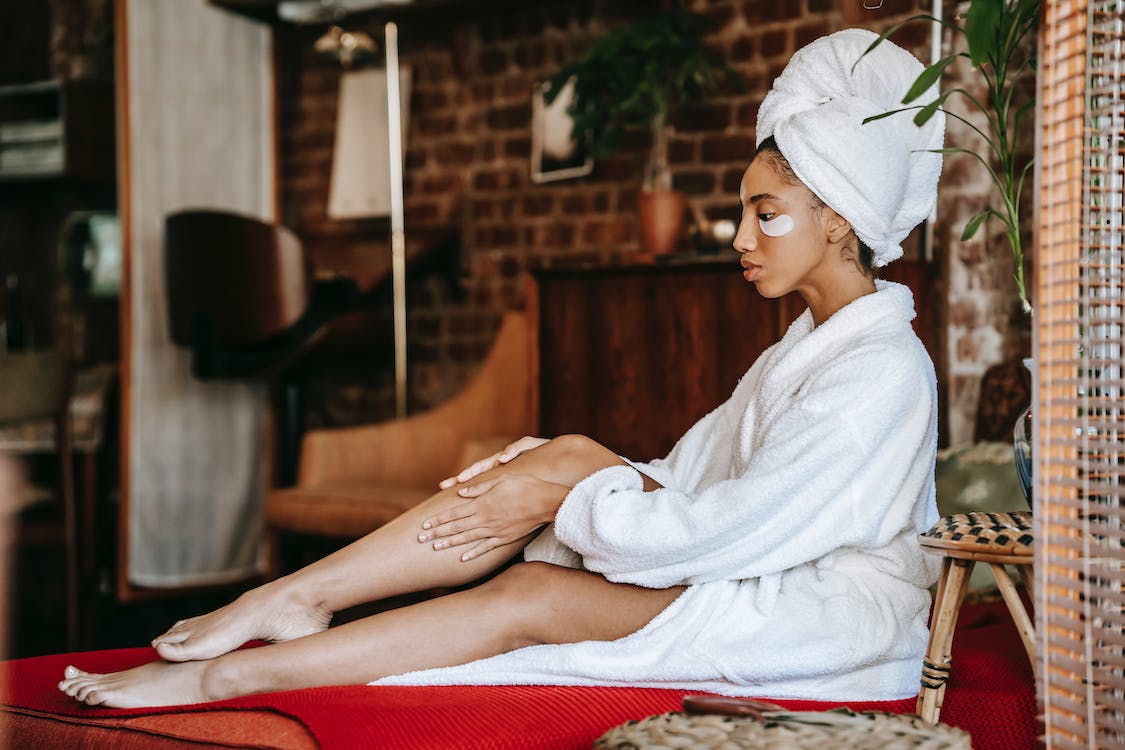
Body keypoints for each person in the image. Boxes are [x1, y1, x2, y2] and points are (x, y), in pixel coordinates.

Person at [59, 28, 945, 709]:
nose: (744, 239)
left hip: (814, 613)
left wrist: (571, 493)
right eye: (742, 213)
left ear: (837, 221)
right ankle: (290, 597)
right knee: (556, 459)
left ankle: (232, 680)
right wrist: (562, 474)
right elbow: (689, 480)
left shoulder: (879, 372)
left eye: (767, 214)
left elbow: (725, 530)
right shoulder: (802, 349)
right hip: (748, 565)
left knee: (531, 585)